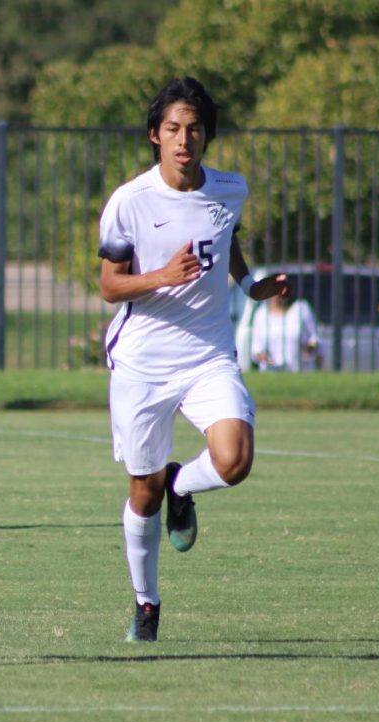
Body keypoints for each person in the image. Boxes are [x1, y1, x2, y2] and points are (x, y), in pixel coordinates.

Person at [96, 77, 290, 642]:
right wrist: (160, 277)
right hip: (143, 361)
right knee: (142, 490)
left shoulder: (230, 189)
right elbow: (110, 285)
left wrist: (251, 286)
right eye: (174, 129)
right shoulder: (129, 201)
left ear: (207, 136)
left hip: (207, 353)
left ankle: (185, 486)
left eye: (195, 129)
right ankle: (146, 602)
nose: (185, 139)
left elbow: (225, 242)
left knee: (233, 460)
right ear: (155, 135)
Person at [251, 293, 321, 372]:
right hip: (271, 372)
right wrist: (270, 363)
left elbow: (315, 339)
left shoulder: (301, 309)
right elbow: (256, 351)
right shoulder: (261, 313)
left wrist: (309, 349)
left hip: (300, 370)